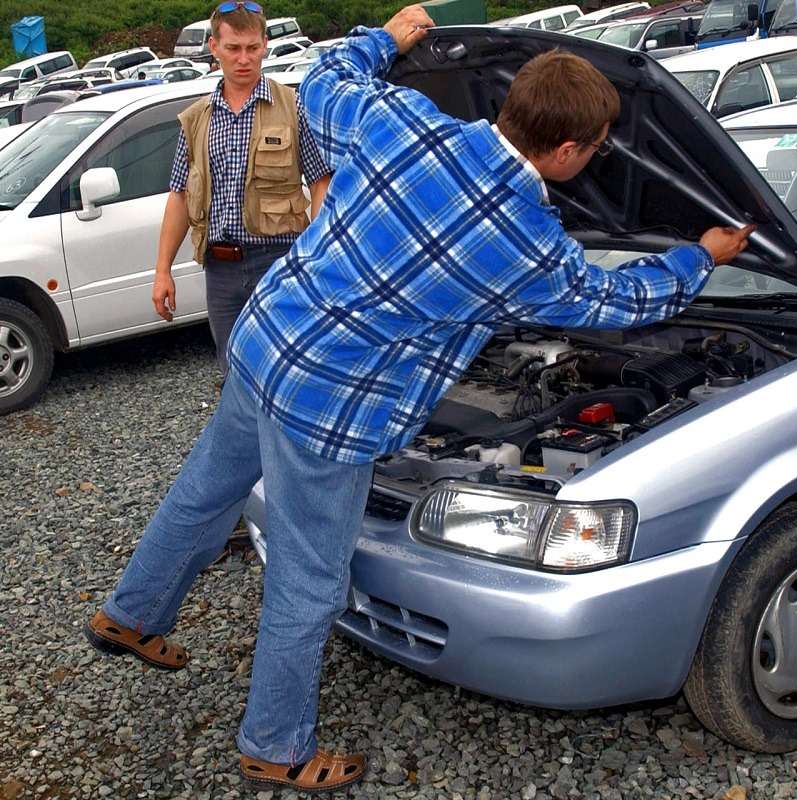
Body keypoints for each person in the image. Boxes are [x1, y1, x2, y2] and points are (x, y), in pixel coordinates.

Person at [85, 4, 753, 794]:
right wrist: (697, 256)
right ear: (569, 151)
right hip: (327, 413)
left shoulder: (404, 121)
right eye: (598, 148)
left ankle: (130, 614)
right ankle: (275, 745)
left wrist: (388, 40)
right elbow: (619, 301)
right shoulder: (530, 245)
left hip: (265, 346)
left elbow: (329, 75)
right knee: (308, 579)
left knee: (204, 492)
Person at [151, 0, 332, 376]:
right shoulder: (197, 119)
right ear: (214, 48)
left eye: (252, 48)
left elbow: (320, 183)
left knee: (286, 373)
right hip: (221, 270)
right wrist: (162, 271)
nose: (244, 59)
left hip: (280, 262)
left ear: (265, 44)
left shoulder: (293, 106)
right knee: (234, 376)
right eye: (233, 48)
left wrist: (317, 257)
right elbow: (180, 195)